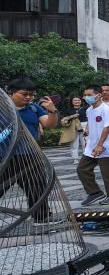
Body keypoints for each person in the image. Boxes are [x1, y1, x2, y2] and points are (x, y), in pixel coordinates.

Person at [3, 77, 60, 221]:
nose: (28, 97)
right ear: (11, 92)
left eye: (31, 94)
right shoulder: (3, 108)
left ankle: (41, 218)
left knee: (38, 187)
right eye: (24, 94)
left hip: (30, 155)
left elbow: (49, 124)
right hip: (5, 157)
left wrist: (52, 111)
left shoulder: (34, 108)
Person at [76, 84, 109, 206]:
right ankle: (94, 192)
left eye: (89, 95)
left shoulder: (106, 109)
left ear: (99, 95)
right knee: (82, 169)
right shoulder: (89, 110)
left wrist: (100, 145)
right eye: (85, 95)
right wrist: (88, 133)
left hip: (105, 145)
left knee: (108, 172)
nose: (86, 97)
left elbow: (107, 127)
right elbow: (91, 124)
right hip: (92, 145)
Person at [60, 96, 86, 163]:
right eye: (75, 100)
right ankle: (75, 159)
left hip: (84, 126)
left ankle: (86, 158)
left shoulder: (85, 109)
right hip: (72, 128)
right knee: (74, 144)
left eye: (78, 100)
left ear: (81, 101)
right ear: (72, 102)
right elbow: (65, 119)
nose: (77, 101)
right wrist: (72, 116)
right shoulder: (68, 110)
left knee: (85, 143)